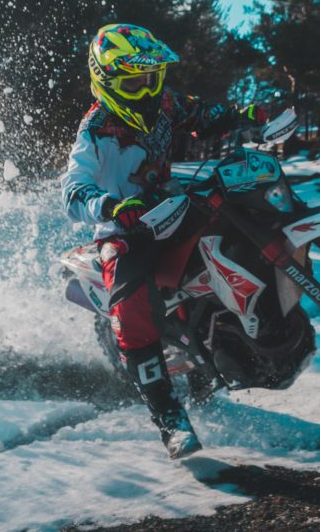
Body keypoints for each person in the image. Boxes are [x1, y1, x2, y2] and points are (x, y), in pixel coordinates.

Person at [60, 23, 266, 459]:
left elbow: (205, 114)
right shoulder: (94, 130)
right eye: (136, 81)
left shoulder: (166, 103)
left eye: (153, 77)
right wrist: (109, 207)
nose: (148, 88)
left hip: (172, 206)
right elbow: (72, 191)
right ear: (108, 81)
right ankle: (168, 415)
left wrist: (244, 116)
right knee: (131, 305)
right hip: (127, 230)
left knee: (237, 223)